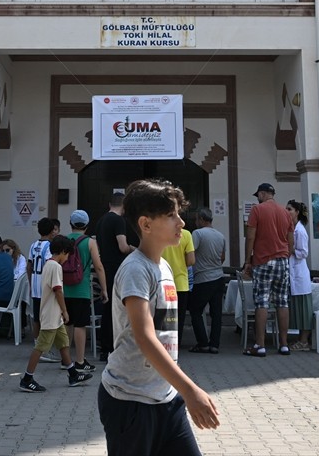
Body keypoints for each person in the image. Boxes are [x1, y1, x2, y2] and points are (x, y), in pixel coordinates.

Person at [98, 178, 219, 454]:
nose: (181, 222)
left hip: (166, 398)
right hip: (129, 401)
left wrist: (178, 389)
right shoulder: (135, 270)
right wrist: (190, 390)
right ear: (146, 224)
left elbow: (164, 330)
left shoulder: (163, 265)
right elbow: (145, 337)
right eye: (171, 215)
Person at [18, 236, 93, 392]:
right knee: (41, 346)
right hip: (51, 314)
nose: (67, 259)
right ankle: (27, 378)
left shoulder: (48, 264)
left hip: (54, 314)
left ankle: (73, 374)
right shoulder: (56, 267)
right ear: (64, 252)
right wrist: (65, 310)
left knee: (63, 343)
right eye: (68, 255)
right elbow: (58, 290)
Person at [241, 182, 293, 356]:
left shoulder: (257, 210)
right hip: (282, 261)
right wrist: (286, 256)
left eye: (258, 195)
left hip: (263, 260)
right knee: (282, 302)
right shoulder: (285, 213)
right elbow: (290, 240)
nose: (258, 198)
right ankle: (284, 345)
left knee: (262, 302)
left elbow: (250, 237)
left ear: (262, 194)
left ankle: (260, 345)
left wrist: (247, 261)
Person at [95, 193, 136, 359]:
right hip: (117, 268)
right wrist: (135, 249)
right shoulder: (119, 221)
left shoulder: (101, 221)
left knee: (108, 307)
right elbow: (123, 247)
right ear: (124, 205)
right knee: (117, 308)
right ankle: (114, 346)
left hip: (104, 266)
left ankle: (104, 347)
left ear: (109, 204)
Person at [64, 209, 107, 370]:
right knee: (80, 325)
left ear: (71, 223)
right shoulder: (90, 242)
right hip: (82, 289)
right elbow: (99, 266)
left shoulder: (64, 240)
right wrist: (104, 289)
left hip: (64, 288)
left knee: (67, 323)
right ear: (87, 225)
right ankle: (80, 361)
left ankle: (66, 360)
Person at [187, 207, 226, 354]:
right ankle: (214, 344)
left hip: (203, 279)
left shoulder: (197, 234)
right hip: (219, 277)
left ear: (202, 219)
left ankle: (203, 343)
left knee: (195, 310)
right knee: (216, 313)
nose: (195, 222)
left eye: (197, 219)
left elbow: (191, 253)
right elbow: (222, 258)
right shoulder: (220, 236)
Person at [160, 219, 194, 350]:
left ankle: (163, 344)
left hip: (163, 281)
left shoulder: (161, 233)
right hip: (181, 283)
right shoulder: (186, 234)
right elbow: (191, 260)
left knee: (163, 315)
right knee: (179, 318)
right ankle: (175, 345)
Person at [285, 199, 314, 352]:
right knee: (297, 310)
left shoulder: (300, 231)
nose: (287, 212)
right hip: (294, 274)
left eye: (289, 209)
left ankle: (304, 341)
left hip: (299, 274)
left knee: (303, 311)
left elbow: (304, 252)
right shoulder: (292, 228)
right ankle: (300, 340)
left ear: (296, 212)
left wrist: (290, 251)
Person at [28, 218, 59, 351]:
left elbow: (29, 266)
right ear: (52, 231)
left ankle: (37, 344)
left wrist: (31, 283)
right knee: (47, 318)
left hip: (35, 286)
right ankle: (45, 347)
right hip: (45, 286)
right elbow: (48, 265)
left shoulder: (33, 245)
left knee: (37, 318)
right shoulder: (49, 246)